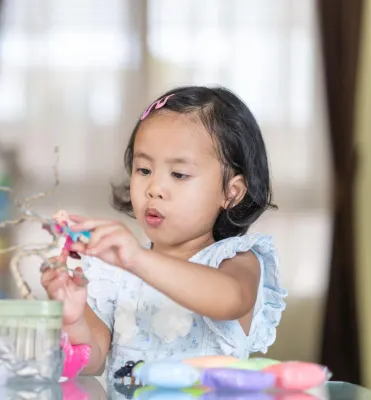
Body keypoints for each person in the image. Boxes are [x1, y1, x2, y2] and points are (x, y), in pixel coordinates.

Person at [40, 86, 288, 379]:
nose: (154, 188)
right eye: (143, 170)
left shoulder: (236, 261)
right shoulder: (116, 274)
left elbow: (231, 299)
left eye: (179, 174)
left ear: (231, 193)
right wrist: (72, 317)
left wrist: (135, 259)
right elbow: (90, 361)